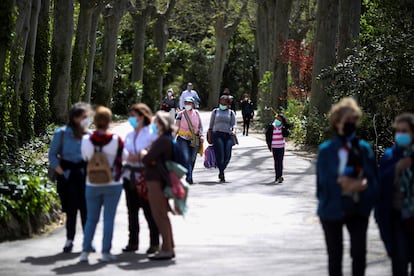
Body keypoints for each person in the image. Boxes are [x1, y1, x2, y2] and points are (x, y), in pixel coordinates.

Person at [316, 97, 378, 276]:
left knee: (359, 254)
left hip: (359, 208)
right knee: (335, 256)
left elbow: (374, 179)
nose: (351, 123)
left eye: (353, 119)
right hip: (332, 208)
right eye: (346, 120)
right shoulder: (327, 150)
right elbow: (323, 182)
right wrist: (343, 183)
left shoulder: (364, 149)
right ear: (337, 122)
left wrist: (365, 185)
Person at [79, 106, 124, 262]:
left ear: (95, 121)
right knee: (108, 219)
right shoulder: (116, 139)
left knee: (91, 219)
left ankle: (85, 251)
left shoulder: (86, 140)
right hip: (113, 183)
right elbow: (123, 158)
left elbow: (85, 158)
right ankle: (105, 252)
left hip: (92, 183)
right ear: (109, 121)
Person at [48, 102, 91, 253]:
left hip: (85, 175)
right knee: (71, 210)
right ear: (74, 117)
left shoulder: (89, 135)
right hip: (67, 175)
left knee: (87, 210)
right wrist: (60, 170)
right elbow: (52, 154)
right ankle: (69, 240)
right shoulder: (61, 133)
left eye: (87, 117)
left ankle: (88, 241)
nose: (86, 120)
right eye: (83, 117)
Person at [375, 113, 414, 275]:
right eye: (398, 132)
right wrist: (397, 168)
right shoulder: (390, 156)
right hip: (397, 216)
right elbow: (381, 186)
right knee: (400, 260)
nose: (401, 135)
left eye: (405, 131)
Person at [121, 103, 159, 254]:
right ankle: (133, 242)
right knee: (132, 211)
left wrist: (139, 156)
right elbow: (124, 153)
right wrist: (130, 157)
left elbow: (153, 153)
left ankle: (154, 242)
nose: (131, 119)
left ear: (142, 117)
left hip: (145, 177)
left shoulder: (150, 133)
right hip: (129, 176)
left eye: (133, 116)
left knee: (149, 211)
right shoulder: (129, 135)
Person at [141, 111, 177, 260]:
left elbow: (147, 159)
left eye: (156, 123)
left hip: (156, 181)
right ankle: (168, 246)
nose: (154, 126)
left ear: (161, 124)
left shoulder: (163, 141)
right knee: (163, 215)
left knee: (159, 215)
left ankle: (167, 249)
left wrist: (144, 153)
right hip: (161, 180)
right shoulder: (167, 139)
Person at [175, 97, 204, 184]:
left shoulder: (197, 113)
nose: (187, 104)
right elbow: (176, 127)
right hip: (183, 138)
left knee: (192, 158)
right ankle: (189, 177)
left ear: (193, 104)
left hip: (194, 138)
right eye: (186, 103)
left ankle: (189, 173)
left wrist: (202, 135)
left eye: (189, 103)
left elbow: (200, 126)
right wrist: (171, 138)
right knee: (186, 157)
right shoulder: (180, 114)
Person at [208, 95, 237, 183]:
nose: (222, 103)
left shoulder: (231, 113)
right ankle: (221, 173)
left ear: (228, 103)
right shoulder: (215, 111)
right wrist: (210, 136)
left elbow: (234, 124)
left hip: (228, 135)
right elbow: (211, 125)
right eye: (221, 101)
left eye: (224, 102)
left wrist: (234, 131)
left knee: (227, 156)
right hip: (217, 134)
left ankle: (222, 167)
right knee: (220, 155)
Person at [265, 113, 290, 184]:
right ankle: (277, 176)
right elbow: (267, 136)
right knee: (276, 162)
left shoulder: (283, 127)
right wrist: (269, 145)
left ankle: (280, 176)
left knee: (280, 161)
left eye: (280, 119)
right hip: (274, 146)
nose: (278, 120)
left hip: (281, 146)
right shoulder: (271, 126)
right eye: (277, 119)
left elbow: (286, 134)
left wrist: (284, 127)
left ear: (282, 120)